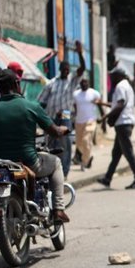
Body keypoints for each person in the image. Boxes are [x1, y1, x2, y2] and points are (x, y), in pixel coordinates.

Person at [0, 68, 70, 222]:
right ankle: (58, 209)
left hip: (2, 166)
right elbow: (55, 132)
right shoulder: (31, 106)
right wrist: (63, 129)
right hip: (29, 163)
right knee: (56, 163)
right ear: (17, 84)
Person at [38, 40, 86, 179]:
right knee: (50, 143)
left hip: (65, 116)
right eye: (63, 70)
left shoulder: (72, 81)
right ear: (60, 70)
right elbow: (41, 101)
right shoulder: (52, 83)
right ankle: (50, 171)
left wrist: (80, 54)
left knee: (65, 143)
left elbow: (82, 68)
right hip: (52, 116)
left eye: (67, 70)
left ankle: (64, 172)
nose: (66, 71)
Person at [96, 67, 135, 190]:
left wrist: (105, 118)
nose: (111, 78)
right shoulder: (126, 86)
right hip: (125, 123)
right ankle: (107, 178)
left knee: (128, 152)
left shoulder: (120, 87)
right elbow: (117, 104)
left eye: (113, 76)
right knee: (116, 153)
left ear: (119, 76)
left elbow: (120, 104)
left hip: (123, 123)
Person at [72, 77, 103, 171]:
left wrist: (103, 119)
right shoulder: (76, 94)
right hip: (78, 122)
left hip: (90, 121)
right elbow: (73, 108)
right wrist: (69, 119)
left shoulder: (94, 93)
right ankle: (88, 157)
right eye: (82, 82)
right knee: (79, 144)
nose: (84, 84)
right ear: (80, 84)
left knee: (86, 140)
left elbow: (100, 105)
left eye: (86, 82)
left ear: (89, 83)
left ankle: (84, 162)